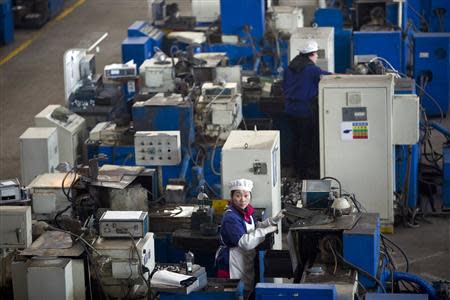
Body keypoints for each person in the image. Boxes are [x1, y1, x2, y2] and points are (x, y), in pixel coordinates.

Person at [215, 178, 285, 298]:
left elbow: (255, 227)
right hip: (232, 262)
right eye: (238, 195)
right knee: (235, 294)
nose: (242, 199)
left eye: (246, 195)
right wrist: (268, 230)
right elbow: (245, 243)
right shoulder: (230, 217)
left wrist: (272, 221)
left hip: (244, 259)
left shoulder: (246, 211)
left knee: (246, 290)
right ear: (232, 197)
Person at [283, 39, 332, 179]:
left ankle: (295, 170)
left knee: (295, 140)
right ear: (312, 54)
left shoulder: (290, 68)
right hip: (304, 112)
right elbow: (332, 78)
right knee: (305, 143)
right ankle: (303, 174)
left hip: (290, 110)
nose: (317, 57)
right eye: (316, 54)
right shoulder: (312, 70)